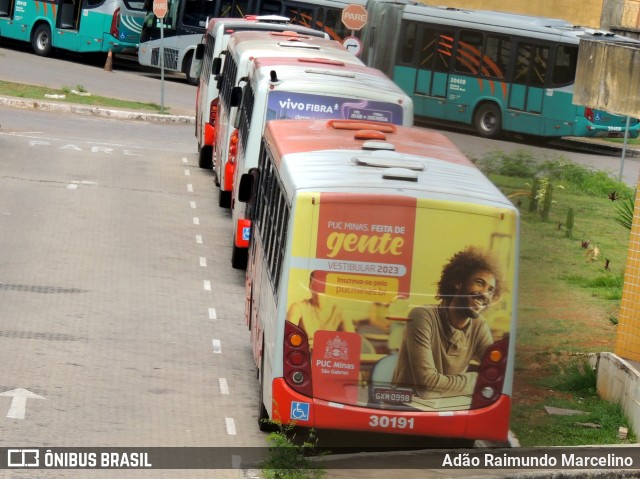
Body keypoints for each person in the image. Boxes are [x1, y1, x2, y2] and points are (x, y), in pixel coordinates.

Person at [392, 246, 504, 398]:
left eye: (491, 290)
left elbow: (496, 373)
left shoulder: (479, 325)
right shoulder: (422, 316)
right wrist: (477, 379)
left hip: (448, 406)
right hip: (406, 408)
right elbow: (427, 387)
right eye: (479, 283)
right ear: (458, 282)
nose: (485, 294)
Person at [286, 271, 355, 349]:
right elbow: (289, 337)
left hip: (329, 355)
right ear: (309, 287)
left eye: (323, 287)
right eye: (315, 287)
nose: (318, 293)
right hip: (305, 354)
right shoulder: (298, 307)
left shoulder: (340, 311)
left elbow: (351, 341)